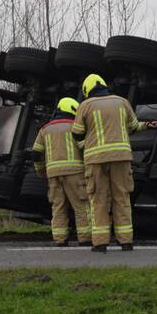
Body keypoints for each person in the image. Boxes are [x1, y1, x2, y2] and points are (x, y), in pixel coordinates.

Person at [71, 74, 157, 252]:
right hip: (121, 158)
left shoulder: (85, 106)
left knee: (99, 200)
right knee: (122, 197)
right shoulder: (122, 102)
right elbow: (133, 127)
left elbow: (76, 134)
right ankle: (126, 241)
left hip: (96, 160)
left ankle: (100, 243)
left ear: (87, 90)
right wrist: (148, 125)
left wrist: (88, 143)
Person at [31, 98, 92, 247]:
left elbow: (35, 153)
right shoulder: (75, 127)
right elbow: (85, 148)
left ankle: (60, 240)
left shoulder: (45, 129)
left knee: (58, 207)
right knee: (81, 206)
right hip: (75, 173)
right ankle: (85, 239)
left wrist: (41, 170)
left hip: (53, 174)